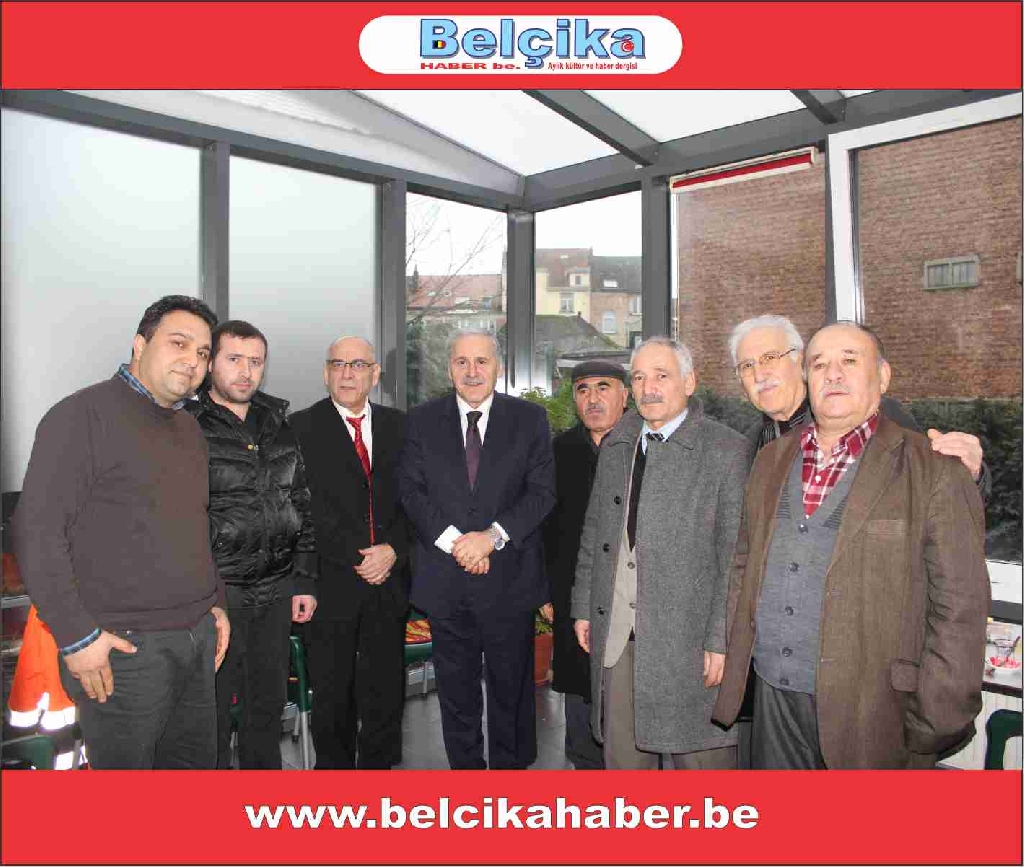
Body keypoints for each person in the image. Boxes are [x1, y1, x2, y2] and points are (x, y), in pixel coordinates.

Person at [712, 322, 989, 768]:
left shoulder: (930, 462)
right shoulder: (767, 456)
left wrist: (938, 716)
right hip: (775, 698)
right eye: (820, 364)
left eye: (849, 360)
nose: (834, 374)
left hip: (873, 708)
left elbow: (959, 604)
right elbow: (745, 564)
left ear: (883, 376)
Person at [13, 295, 229, 769]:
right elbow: (37, 531)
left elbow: (195, 524)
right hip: (124, 652)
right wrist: (76, 637)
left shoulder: (189, 430)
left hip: (196, 640)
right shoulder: (81, 416)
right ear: (139, 344)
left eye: (202, 352)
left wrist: (216, 603)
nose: (192, 361)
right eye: (178, 343)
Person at [572, 336, 749, 769]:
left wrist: (722, 638)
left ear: (689, 382)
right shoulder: (618, 445)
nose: (648, 388)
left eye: (661, 376)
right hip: (619, 638)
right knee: (625, 770)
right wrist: (583, 607)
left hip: (690, 644)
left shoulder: (726, 451)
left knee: (704, 775)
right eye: (638, 378)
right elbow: (595, 533)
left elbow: (735, 557)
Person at [397, 329, 555, 770]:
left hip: (509, 580)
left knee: (512, 689)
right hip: (445, 582)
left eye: (481, 361)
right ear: (449, 368)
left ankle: (510, 778)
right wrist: (458, 544)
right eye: (462, 362)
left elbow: (542, 493)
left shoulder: (529, 419)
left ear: (497, 367)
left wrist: (490, 538)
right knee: (456, 692)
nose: (472, 371)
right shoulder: (421, 421)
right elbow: (410, 492)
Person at [185, 320, 317, 769]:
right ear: (210, 364)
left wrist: (304, 579)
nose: (246, 371)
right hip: (219, 595)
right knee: (213, 715)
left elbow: (300, 502)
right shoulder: (188, 426)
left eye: (255, 361)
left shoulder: (277, 423)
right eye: (234, 359)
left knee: (266, 709)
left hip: (276, 591)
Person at [290, 336, 410, 769]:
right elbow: (298, 510)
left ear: (374, 375)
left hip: (390, 580)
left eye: (358, 365)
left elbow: (418, 500)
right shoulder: (298, 428)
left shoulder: (402, 427)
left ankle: (378, 775)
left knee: (385, 689)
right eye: (338, 364)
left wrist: (393, 550)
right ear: (325, 373)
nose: (347, 374)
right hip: (330, 582)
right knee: (332, 692)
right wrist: (361, 557)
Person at [728, 314, 986, 484]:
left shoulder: (876, 415)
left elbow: (937, 496)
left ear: (802, 362)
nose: (760, 374)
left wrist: (972, 474)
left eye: (770, 358)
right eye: (747, 366)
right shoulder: (746, 446)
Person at [542, 361, 629, 770]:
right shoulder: (556, 452)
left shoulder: (644, 446)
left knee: (627, 690)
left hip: (630, 593)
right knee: (579, 690)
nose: (592, 399)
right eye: (582, 390)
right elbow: (541, 528)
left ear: (625, 395)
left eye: (603, 387)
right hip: (570, 592)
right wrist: (544, 592)